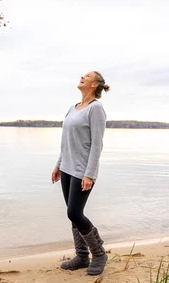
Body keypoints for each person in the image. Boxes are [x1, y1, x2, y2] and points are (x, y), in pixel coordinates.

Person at [52, 71, 110, 276]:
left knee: (74, 213)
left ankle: (99, 253)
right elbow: (65, 141)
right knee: (73, 216)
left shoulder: (96, 109)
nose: (82, 77)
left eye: (87, 76)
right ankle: (82, 256)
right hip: (67, 167)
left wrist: (90, 174)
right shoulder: (73, 108)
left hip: (82, 171)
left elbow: (97, 144)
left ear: (95, 84)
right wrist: (59, 164)